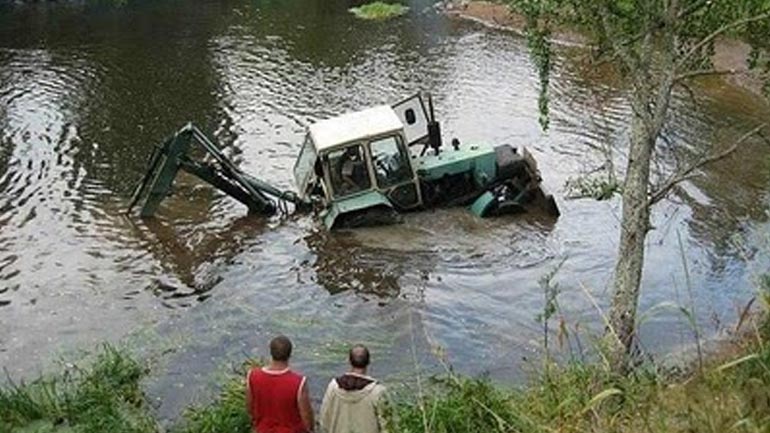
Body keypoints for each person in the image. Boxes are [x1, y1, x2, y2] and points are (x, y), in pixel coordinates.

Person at [246, 335, 314, 433]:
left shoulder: (252, 376)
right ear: (290, 354)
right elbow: (307, 418)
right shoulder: (298, 382)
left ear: (270, 352)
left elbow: (249, 408)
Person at [319, 345, 388, 433]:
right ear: (369, 361)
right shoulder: (377, 392)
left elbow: (324, 418)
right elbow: (388, 425)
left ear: (349, 361)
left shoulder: (333, 387)